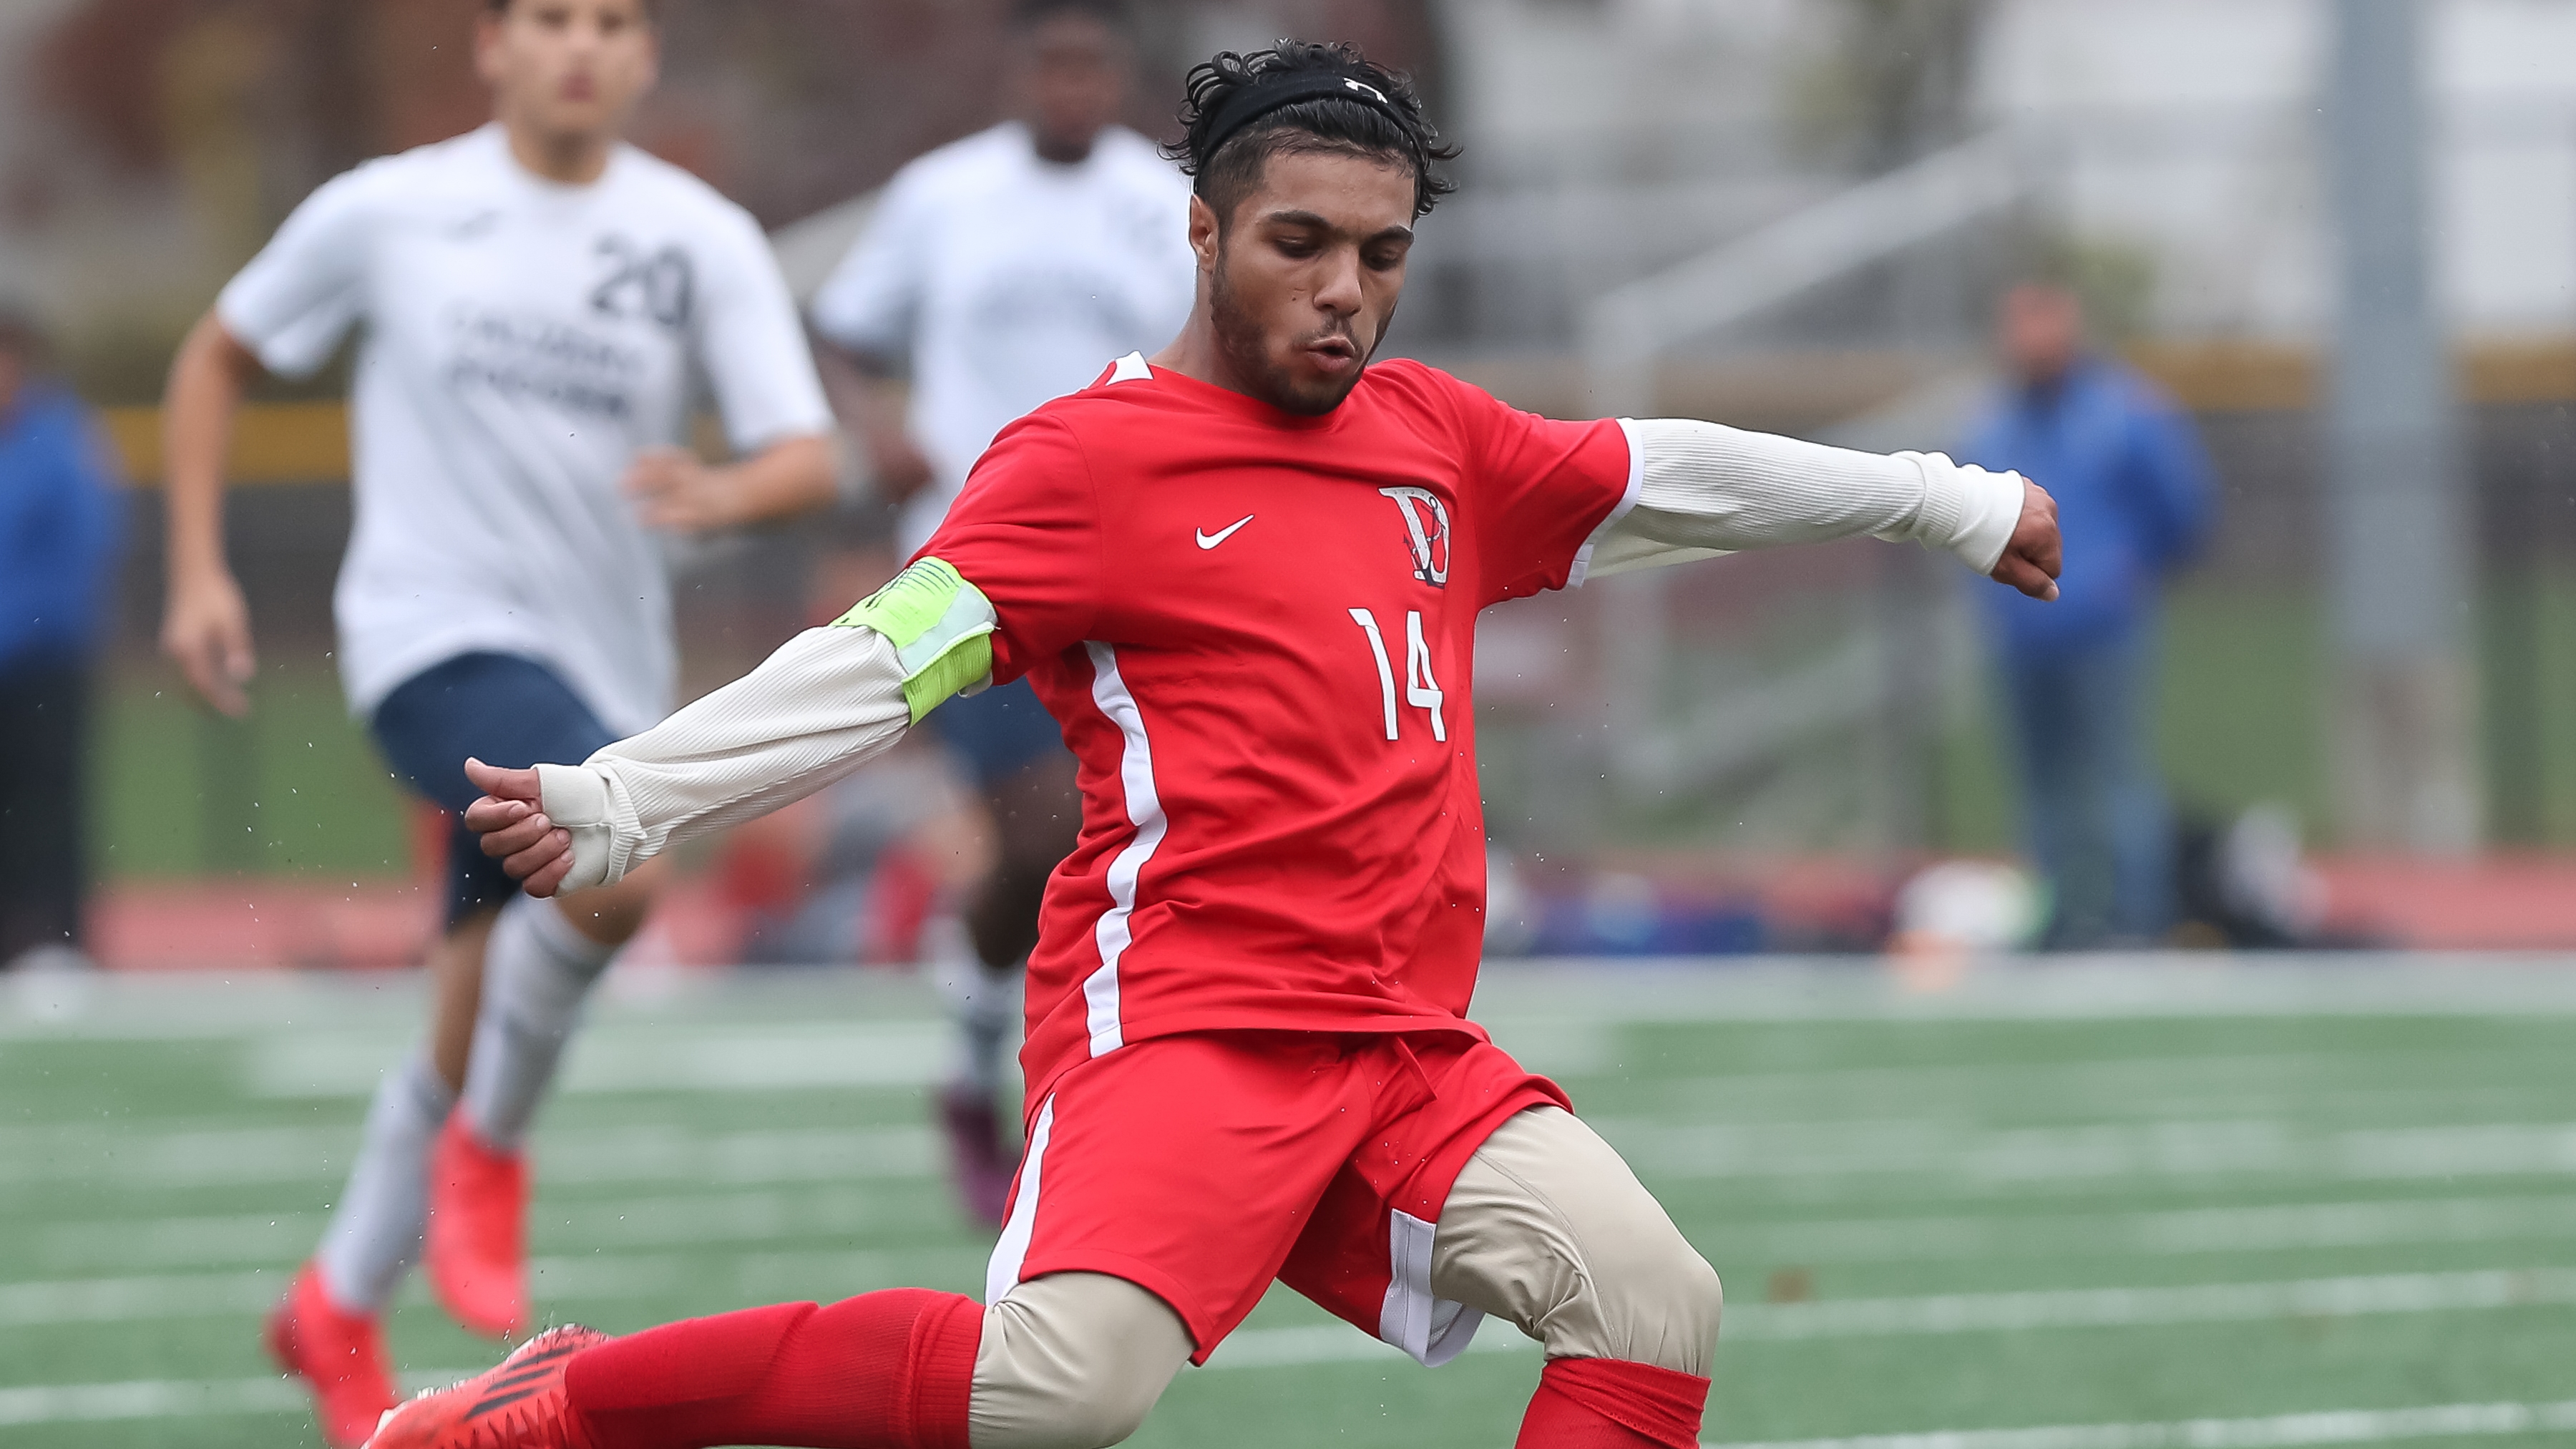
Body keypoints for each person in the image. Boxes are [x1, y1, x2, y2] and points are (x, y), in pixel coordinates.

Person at [375, 42, 2060, 1449]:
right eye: (1299, 245)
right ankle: (574, 1401)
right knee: (1057, 1393)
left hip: (1396, 1041)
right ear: (1199, 231)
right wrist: (624, 797)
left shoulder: (1432, 439)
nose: (1345, 295)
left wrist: (1944, 501)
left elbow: (1658, 470)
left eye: (1381, 258)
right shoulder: (1086, 467)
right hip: (1183, 1026)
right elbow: (877, 668)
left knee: (1654, 1304)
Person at [155, 0, 835, 1442]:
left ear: (648, 53)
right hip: (425, 636)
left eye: (610, 21)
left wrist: (727, 490)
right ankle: (494, 1153)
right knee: (620, 870)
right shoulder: (391, 210)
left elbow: (806, 452)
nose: (578, 45)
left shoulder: (697, 235)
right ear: (492, 45)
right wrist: (201, 569)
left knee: (473, 999)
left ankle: (333, 1302)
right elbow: (216, 356)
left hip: (604, 673)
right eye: (548, 17)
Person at [809, 0, 1195, 1223]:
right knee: (1037, 836)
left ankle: (1091, 1089)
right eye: (1053, 62)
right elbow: (844, 330)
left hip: (1137, 567)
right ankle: (988, 1082)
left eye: (1093, 63)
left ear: (1119, 75)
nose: (1073, 84)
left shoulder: (1167, 202)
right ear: (1018, 70)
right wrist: (875, 429)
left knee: (1135, 847)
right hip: (972, 561)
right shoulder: (942, 195)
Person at [1961, 280, 2212, 949]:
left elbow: (2182, 509)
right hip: (2021, 633)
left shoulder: (2124, 409)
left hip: (2105, 629)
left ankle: (2137, 918)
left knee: (2118, 775)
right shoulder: (1993, 421)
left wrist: (2124, 577)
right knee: (2041, 786)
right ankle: (2060, 918)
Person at [0, 304, 123, 972]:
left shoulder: (62, 438)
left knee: (48, 806)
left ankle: (55, 943)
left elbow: (81, 556)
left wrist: (28, 636)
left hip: (43, 666)